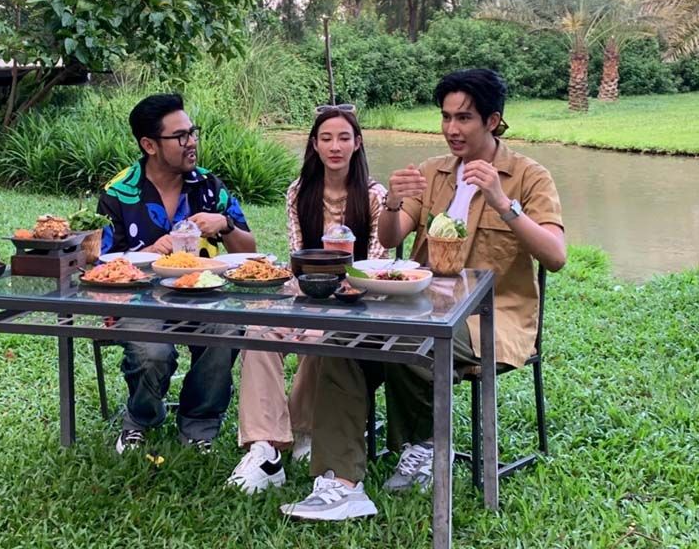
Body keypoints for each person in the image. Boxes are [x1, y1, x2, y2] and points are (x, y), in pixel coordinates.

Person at [282, 68, 566, 520]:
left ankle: (426, 445)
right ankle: (341, 483)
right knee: (342, 338)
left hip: (491, 320)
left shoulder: (529, 176)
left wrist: (502, 202)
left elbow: (555, 256)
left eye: (464, 118)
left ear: (493, 121)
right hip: (418, 306)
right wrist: (393, 202)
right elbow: (392, 235)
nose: (452, 129)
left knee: (412, 338)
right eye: (446, 117)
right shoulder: (433, 172)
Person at [227, 106, 387, 494]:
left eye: (344, 138)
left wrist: (339, 295)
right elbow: (297, 256)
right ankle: (265, 447)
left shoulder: (374, 195)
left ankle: (305, 430)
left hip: (359, 300)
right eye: (326, 138)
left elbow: (377, 263)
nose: (335, 146)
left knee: (322, 335)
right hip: (306, 292)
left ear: (357, 143)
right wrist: (306, 300)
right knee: (260, 330)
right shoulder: (300, 192)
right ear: (314, 145)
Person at [96, 93, 257, 454]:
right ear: (149, 145)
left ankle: (199, 422)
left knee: (228, 329)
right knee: (152, 352)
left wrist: (226, 224)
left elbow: (249, 251)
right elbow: (102, 264)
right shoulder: (119, 193)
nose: (192, 142)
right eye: (180, 136)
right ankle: (141, 418)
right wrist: (151, 253)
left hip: (205, 295)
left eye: (192, 132)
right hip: (139, 301)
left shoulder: (208, 186)